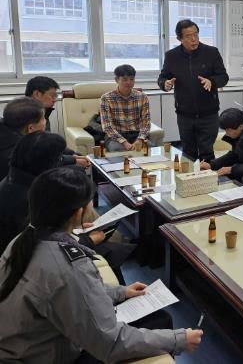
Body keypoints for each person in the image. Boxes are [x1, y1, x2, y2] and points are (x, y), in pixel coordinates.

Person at [0, 167, 202, 362]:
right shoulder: (68, 266)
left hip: (26, 345)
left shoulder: (24, 239)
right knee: (161, 321)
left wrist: (121, 292)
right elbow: (110, 343)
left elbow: (69, 292)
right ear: (78, 213)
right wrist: (178, 340)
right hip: (45, 355)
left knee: (157, 318)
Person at [0, 132, 134, 282]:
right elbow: (42, 247)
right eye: (58, 159)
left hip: (39, 250)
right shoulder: (28, 199)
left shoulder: (17, 180)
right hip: (29, 264)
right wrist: (88, 240)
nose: (61, 162)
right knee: (110, 251)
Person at [158, 19, 229, 162]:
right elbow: (162, 78)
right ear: (179, 38)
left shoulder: (211, 52)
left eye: (196, 34)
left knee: (207, 153)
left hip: (208, 114)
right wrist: (165, 84)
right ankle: (189, 177)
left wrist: (212, 81)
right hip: (185, 115)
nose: (194, 39)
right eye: (188, 36)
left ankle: (207, 177)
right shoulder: (172, 56)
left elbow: (223, 77)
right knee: (188, 153)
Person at [26, 76, 90, 168]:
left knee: (77, 157)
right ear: (37, 94)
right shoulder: (28, 116)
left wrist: (72, 154)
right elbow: (39, 153)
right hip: (33, 165)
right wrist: (72, 159)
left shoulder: (42, 112)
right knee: (76, 168)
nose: (55, 99)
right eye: (52, 95)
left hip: (43, 159)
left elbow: (49, 144)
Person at [100, 64, 152, 152]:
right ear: (116, 80)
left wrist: (140, 139)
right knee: (119, 150)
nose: (128, 82)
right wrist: (124, 143)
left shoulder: (142, 97)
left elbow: (146, 123)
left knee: (152, 149)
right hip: (115, 137)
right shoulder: (106, 98)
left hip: (137, 135)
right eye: (125, 79)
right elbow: (107, 127)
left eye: (131, 79)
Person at [0, 97, 46, 181]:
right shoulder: (19, 159)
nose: (45, 121)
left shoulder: (7, 133)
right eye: (43, 118)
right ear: (31, 128)